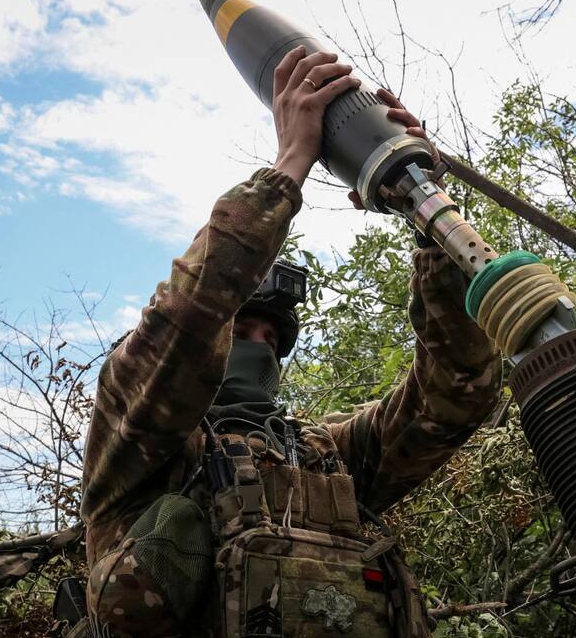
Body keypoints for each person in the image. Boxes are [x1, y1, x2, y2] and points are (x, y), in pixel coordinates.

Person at [78, 47, 501, 637]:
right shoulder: (139, 450)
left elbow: (457, 392)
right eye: (241, 330)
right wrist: (290, 164)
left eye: (269, 338)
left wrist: (426, 211)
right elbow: (187, 318)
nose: (255, 346)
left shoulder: (329, 457)